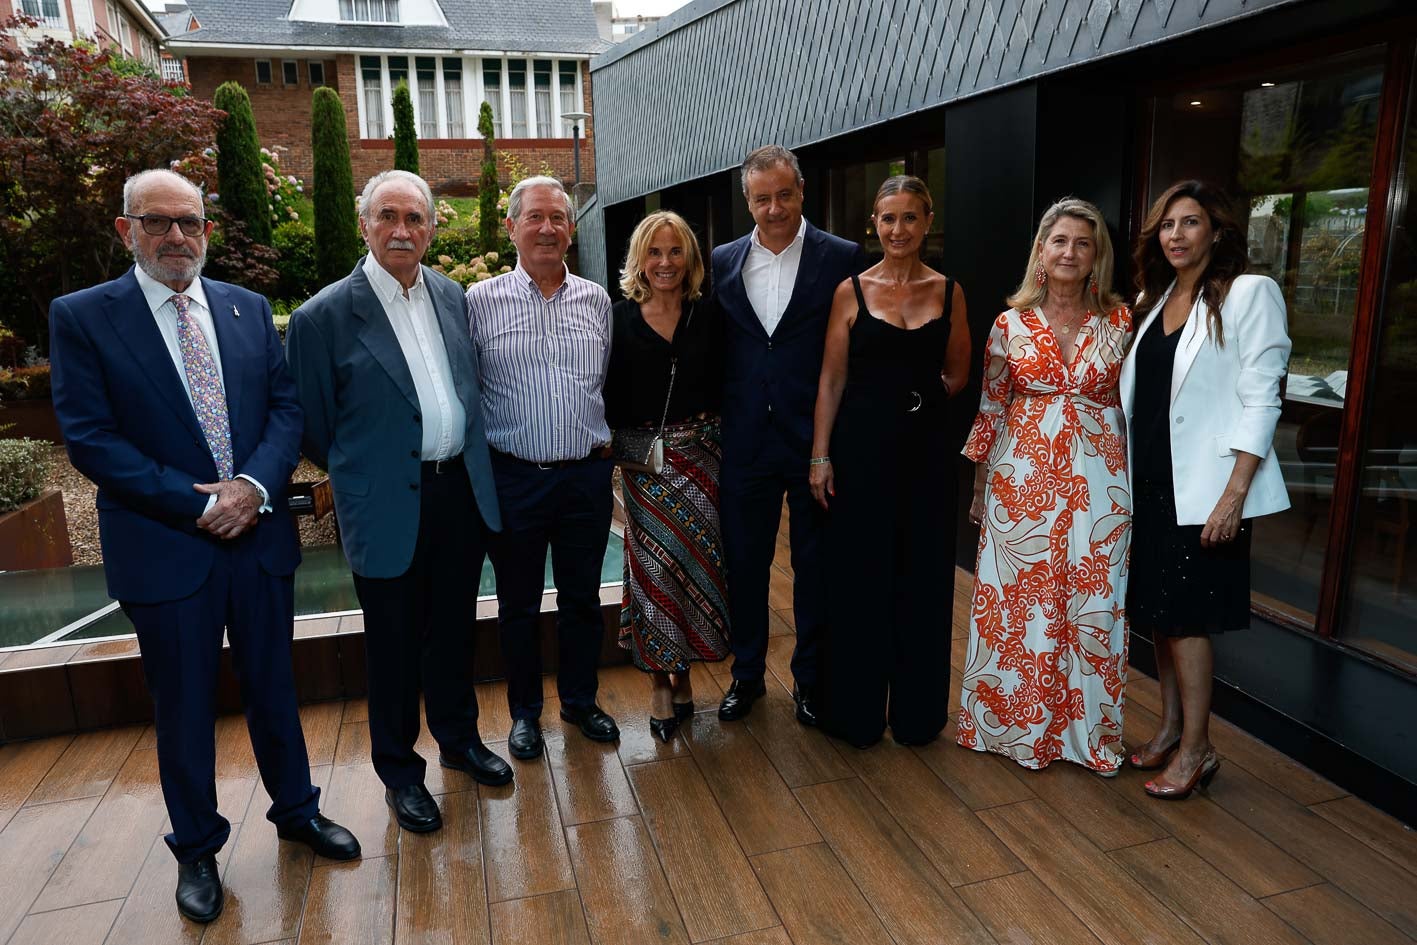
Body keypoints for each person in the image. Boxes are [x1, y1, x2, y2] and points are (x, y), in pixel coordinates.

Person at [49, 169, 359, 924]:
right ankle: (196, 847)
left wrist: (251, 484)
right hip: (166, 545)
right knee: (183, 704)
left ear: (207, 231)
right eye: (157, 222)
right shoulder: (84, 315)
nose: (176, 236)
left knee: (274, 688)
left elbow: (284, 410)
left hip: (259, 536)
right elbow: (90, 437)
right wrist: (198, 504)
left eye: (189, 222)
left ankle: (296, 809)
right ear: (126, 230)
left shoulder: (249, 309)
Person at [286, 169, 510, 838]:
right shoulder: (321, 316)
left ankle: (459, 739)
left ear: (433, 228)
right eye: (388, 216)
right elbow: (314, 428)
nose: (402, 230)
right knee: (391, 649)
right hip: (384, 502)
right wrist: (370, 472)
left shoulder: (451, 295)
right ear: (364, 224)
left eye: (415, 218)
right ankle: (400, 773)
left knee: (452, 632)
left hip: (457, 494)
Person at [1121, 180, 1291, 799]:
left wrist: (1234, 493)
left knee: (1188, 619)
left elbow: (1262, 396)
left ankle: (1198, 749)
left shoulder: (1249, 292)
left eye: (1189, 223)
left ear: (1216, 232)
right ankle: (1169, 728)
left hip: (1208, 489)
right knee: (1161, 617)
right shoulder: (1157, 296)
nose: (1176, 235)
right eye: (1167, 225)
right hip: (1153, 482)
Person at [958, 197, 1134, 776]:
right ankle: (1012, 726)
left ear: (1096, 257)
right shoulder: (1008, 323)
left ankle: (1085, 736)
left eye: (1083, 243)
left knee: (1093, 602)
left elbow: (1131, 408)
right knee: (1020, 604)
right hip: (1022, 479)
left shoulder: (1120, 322)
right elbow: (992, 404)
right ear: (1041, 250)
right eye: (1059, 240)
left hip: (1100, 483)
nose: (1069, 252)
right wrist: (981, 488)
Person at [808, 175, 971, 748]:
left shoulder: (950, 292)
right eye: (887, 218)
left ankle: (918, 716)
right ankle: (855, 714)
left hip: (925, 456)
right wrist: (820, 455)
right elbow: (832, 378)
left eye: (909, 217)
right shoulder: (851, 290)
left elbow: (957, 373)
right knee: (859, 580)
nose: (897, 229)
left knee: (923, 580)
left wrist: (916, 409)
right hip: (859, 453)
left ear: (928, 221)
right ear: (873, 225)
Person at [466, 175, 619, 760]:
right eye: (535, 217)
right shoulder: (477, 304)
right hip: (515, 477)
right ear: (511, 228)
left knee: (582, 599)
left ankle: (581, 702)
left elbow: (604, 382)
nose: (548, 227)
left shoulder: (596, 300)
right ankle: (525, 713)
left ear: (571, 229)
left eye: (558, 217)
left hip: (583, 476)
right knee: (518, 604)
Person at [712, 144, 866, 724]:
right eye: (761, 199)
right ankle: (747, 676)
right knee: (745, 567)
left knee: (814, 569)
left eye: (783, 194)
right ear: (747, 201)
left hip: (815, 443)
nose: (773, 208)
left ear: (802, 190)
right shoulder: (722, 260)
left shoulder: (843, 258)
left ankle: (810, 681)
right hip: (745, 443)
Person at [605, 210, 730, 742]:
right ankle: (662, 683)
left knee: (694, 570)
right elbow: (606, 394)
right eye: (654, 252)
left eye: (675, 251)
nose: (665, 262)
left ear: (690, 258)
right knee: (653, 574)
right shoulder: (619, 317)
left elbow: (728, 383)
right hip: (645, 467)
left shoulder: (710, 314)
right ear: (639, 259)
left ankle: (686, 672)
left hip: (703, 462)